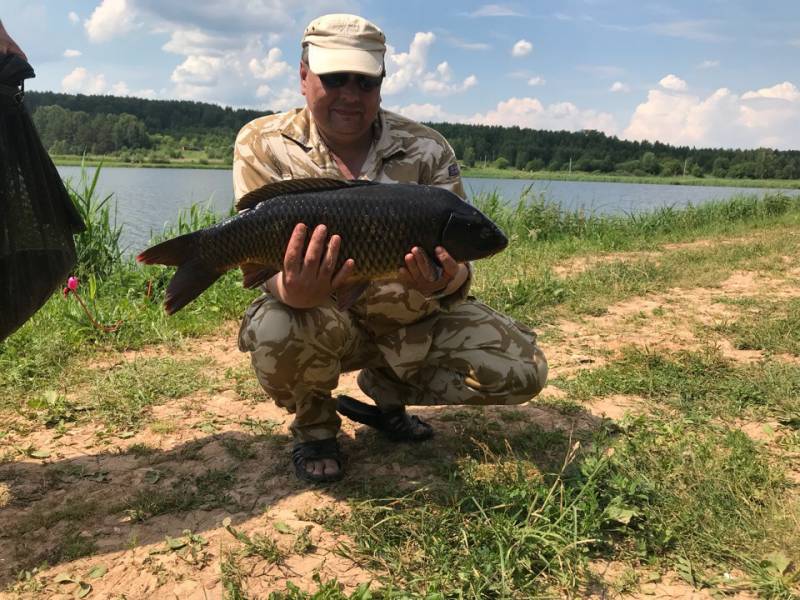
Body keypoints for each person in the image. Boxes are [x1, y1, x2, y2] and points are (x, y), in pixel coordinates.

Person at [233, 13, 548, 483]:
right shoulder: (262, 143)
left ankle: (386, 390)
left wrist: (448, 280)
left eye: (364, 81)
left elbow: (459, 263)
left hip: (410, 320)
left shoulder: (427, 148)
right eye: (334, 78)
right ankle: (315, 430)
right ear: (303, 76)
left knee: (524, 369)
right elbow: (259, 257)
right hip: (321, 317)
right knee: (280, 326)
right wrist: (294, 289)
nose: (349, 94)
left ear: (381, 82)